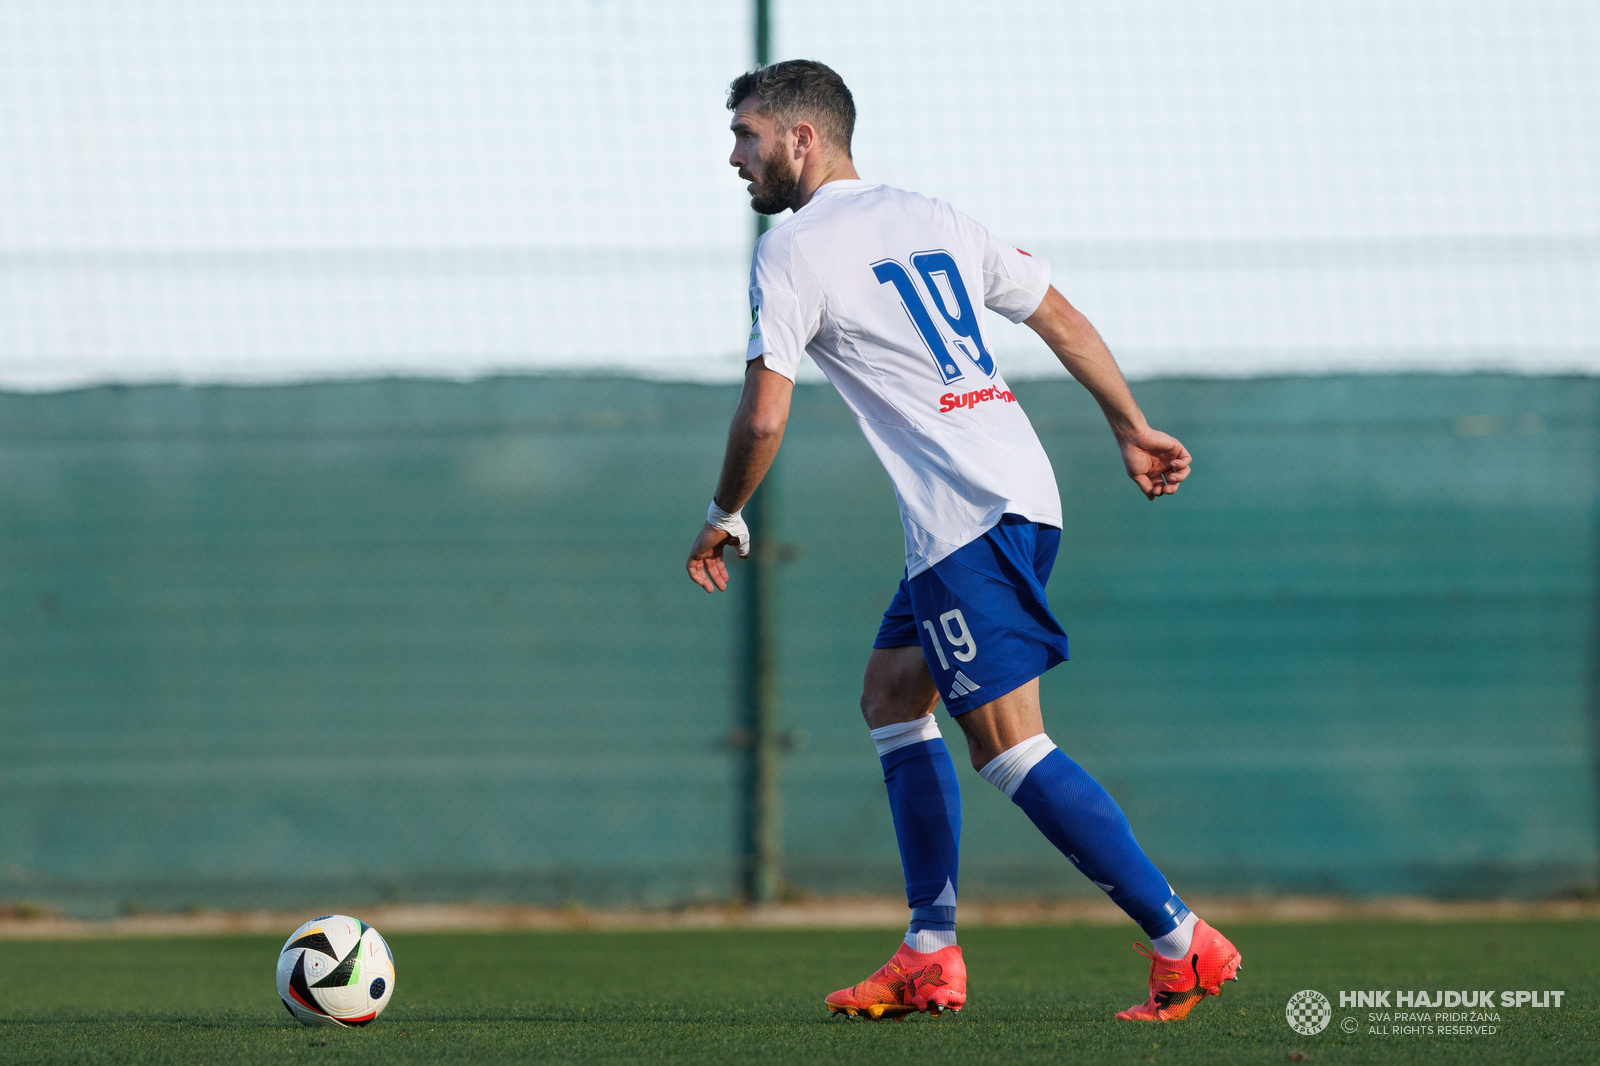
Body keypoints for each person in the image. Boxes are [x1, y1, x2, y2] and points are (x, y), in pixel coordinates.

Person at [684, 59, 1241, 1023]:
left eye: (747, 136)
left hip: (969, 516)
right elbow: (1056, 313)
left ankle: (1181, 939)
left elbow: (763, 418)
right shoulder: (928, 214)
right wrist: (1128, 423)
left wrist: (725, 513)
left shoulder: (791, 252)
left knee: (1009, 748)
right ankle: (929, 951)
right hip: (1012, 493)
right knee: (893, 697)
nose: (735, 156)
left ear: (801, 139)